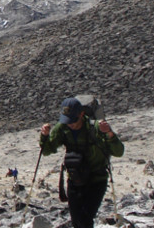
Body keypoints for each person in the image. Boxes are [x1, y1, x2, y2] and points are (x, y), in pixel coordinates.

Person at [39, 97, 124, 228]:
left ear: (81, 114)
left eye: (73, 120)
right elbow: (47, 150)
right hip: (75, 180)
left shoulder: (95, 128)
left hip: (96, 180)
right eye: (67, 121)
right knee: (76, 221)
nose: (70, 124)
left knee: (85, 219)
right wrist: (44, 136)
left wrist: (110, 134)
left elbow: (118, 152)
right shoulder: (62, 128)